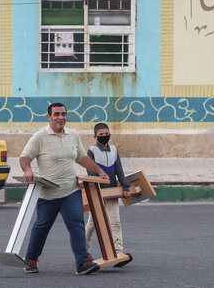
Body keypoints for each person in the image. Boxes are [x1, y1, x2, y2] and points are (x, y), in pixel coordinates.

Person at [20, 103, 109, 275]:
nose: (61, 117)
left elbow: (81, 157)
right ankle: (31, 259)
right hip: (48, 193)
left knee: (76, 223)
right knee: (41, 226)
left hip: (71, 191)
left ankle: (82, 262)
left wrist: (99, 171)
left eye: (63, 114)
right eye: (57, 114)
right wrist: (28, 170)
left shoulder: (73, 135)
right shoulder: (39, 137)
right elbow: (25, 157)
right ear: (49, 116)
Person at [85, 122, 133, 267]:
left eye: (106, 134)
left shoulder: (114, 150)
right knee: (92, 225)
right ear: (95, 136)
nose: (104, 137)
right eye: (101, 135)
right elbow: (90, 172)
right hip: (97, 194)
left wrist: (125, 186)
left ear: (110, 134)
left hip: (112, 192)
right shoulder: (92, 151)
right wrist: (98, 184)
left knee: (115, 222)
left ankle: (119, 252)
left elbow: (119, 169)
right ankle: (84, 252)